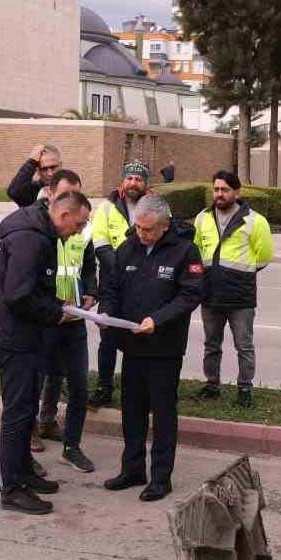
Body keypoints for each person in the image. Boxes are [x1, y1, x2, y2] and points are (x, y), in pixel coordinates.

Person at [0, 191, 94, 515]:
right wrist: (57, 312)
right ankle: (12, 489)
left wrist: (56, 308)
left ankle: (25, 473)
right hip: (12, 336)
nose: (79, 231)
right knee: (17, 414)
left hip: (22, 334)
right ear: (64, 214)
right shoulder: (33, 239)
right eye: (80, 223)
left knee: (26, 408)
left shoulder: (40, 230)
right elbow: (18, 295)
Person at [99, 195, 204, 502]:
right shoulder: (127, 247)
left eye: (148, 229)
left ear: (165, 224)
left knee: (162, 413)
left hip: (164, 348)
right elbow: (111, 287)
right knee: (131, 411)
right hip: (131, 345)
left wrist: (157, 320)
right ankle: (132, 469)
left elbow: (191, 294)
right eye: (139, 228)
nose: (142, 234)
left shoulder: (185, 250)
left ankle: (160, 477)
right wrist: (107, 312)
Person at [32, 169, 98, 473]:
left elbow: (87, 266)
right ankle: (27, 437)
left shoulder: (82, 229)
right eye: (64, 195)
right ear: (51, 195)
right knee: (35, 381)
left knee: (79, 385)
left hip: (74, 319)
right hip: (45, 319)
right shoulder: (38, 228)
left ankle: (72, 447)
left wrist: (90, 292)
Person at [192, 170, 274, 408]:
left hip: (241, 296)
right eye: (216, 189)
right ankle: (212, 384)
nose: (219, 194)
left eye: (225, 190)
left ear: (237, 192)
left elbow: (265, 255)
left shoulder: (255, 221)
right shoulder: (202, 218)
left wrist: (241, 274)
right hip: (209, 293)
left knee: (244, 345)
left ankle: (245, 388)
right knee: (211, 343)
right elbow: (196, 252)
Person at [88, 160, 151, 408]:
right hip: (112, 284)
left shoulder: (155, 206)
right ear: (122, 181)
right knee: (108, 338)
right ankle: (104, 387)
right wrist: (123, 268)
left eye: (138, 179)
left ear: (145, 183)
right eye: (129, 178)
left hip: (143, 285)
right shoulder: (105, 208)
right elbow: (100, 243)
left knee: (139, 336)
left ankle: (137, 389)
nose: (133, 182)